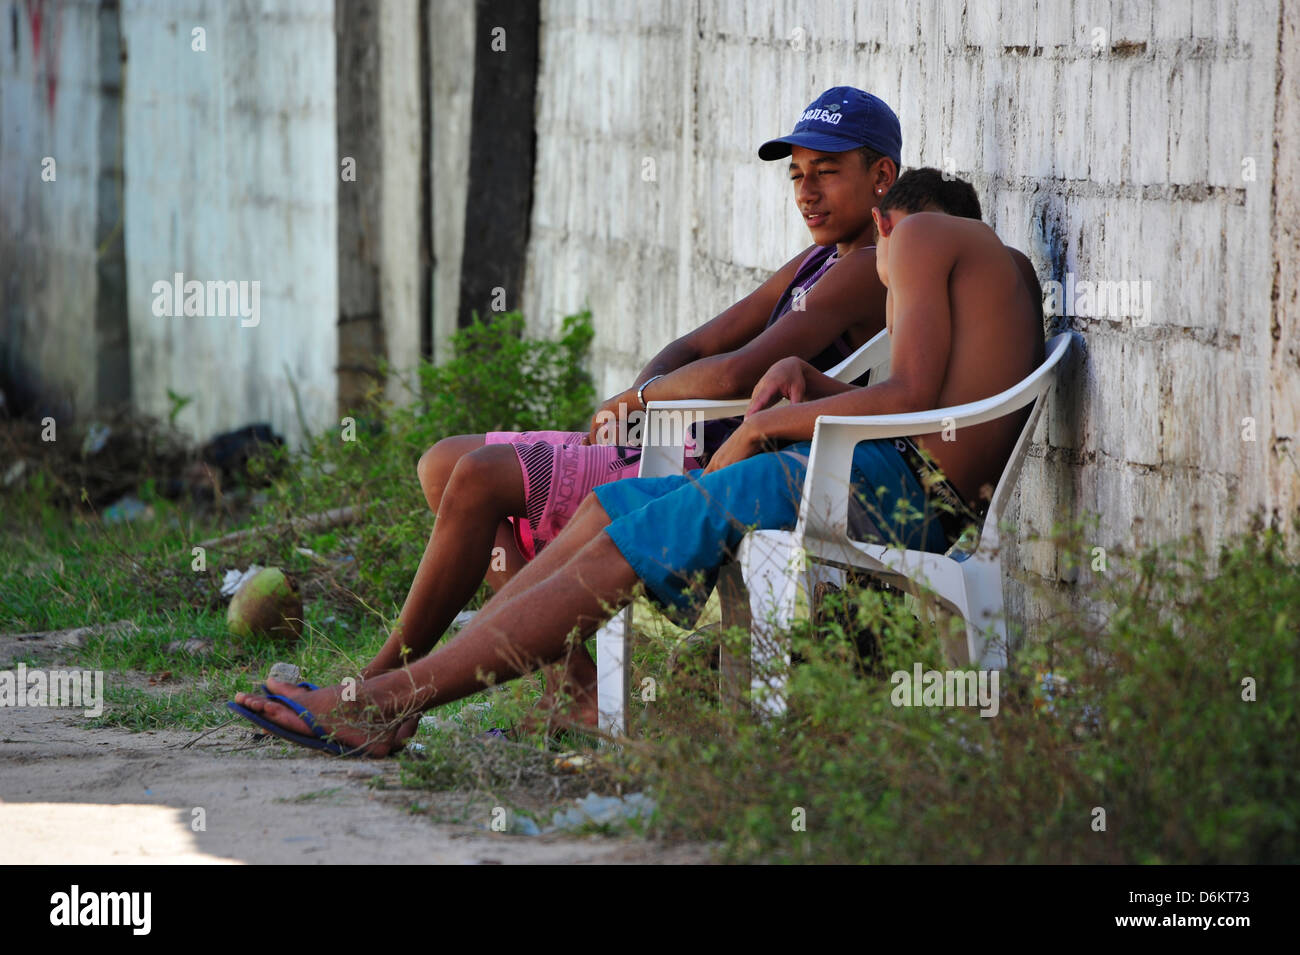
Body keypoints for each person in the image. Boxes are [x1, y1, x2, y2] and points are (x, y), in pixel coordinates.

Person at [228, 169, 1046, 756]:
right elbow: (937, 399)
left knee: (634, 537)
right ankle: (392, 701)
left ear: (885, 209)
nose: (882, 280)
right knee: (610, 513)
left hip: (893, 488)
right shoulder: (993, 264)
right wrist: (818, 380)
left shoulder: (911, 237)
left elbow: (907, 397)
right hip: (901, 482)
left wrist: (771, 426)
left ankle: (386, 701)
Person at [355, 87, 904, 712]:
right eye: (797, 175)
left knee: (477, 478)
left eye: (827, 173)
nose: (807, 192)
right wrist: (644, 403)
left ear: (881, 176)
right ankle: (572, 693)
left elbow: (735, 375)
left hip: (714, 463)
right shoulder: (814, 261)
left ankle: (381, 684)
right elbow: (700, 343)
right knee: (443, 467)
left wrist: (644, 398)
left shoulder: (868, 266)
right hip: (675, 438)